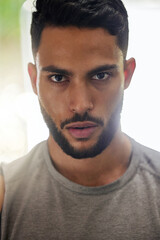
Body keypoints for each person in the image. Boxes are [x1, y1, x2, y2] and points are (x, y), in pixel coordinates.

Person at [0, 0, 160, 239]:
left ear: (127, 74)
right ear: (34, 80)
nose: (80, 104)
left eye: (101, 75)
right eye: (57, 78)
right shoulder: (5, 195)